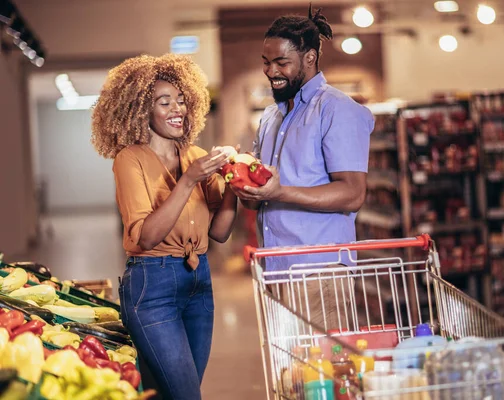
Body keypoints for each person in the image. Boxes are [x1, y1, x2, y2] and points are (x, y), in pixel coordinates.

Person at [91, 53, 237, 400]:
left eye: (182, 100)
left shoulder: (196, 156)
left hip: (199, 281)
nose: (178, 109)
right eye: (164, 102)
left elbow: (218, 232)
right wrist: (189, 180)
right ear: (142, 109)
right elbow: (146, 236)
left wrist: (235, 183)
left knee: (172, 393)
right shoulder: (130, 160)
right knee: (186, 395)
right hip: (151, 287)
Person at [233, 5, 374, 330]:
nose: (271, 71)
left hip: (319, 272)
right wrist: (241, 181)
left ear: (309, 58)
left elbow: (353, 194)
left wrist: (281, 191)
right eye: (266, 62)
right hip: (275, 269)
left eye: (281, 62)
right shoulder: (271, 117)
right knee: (287, 375)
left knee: (324, 373)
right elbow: (258, 197)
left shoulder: (337, 110)